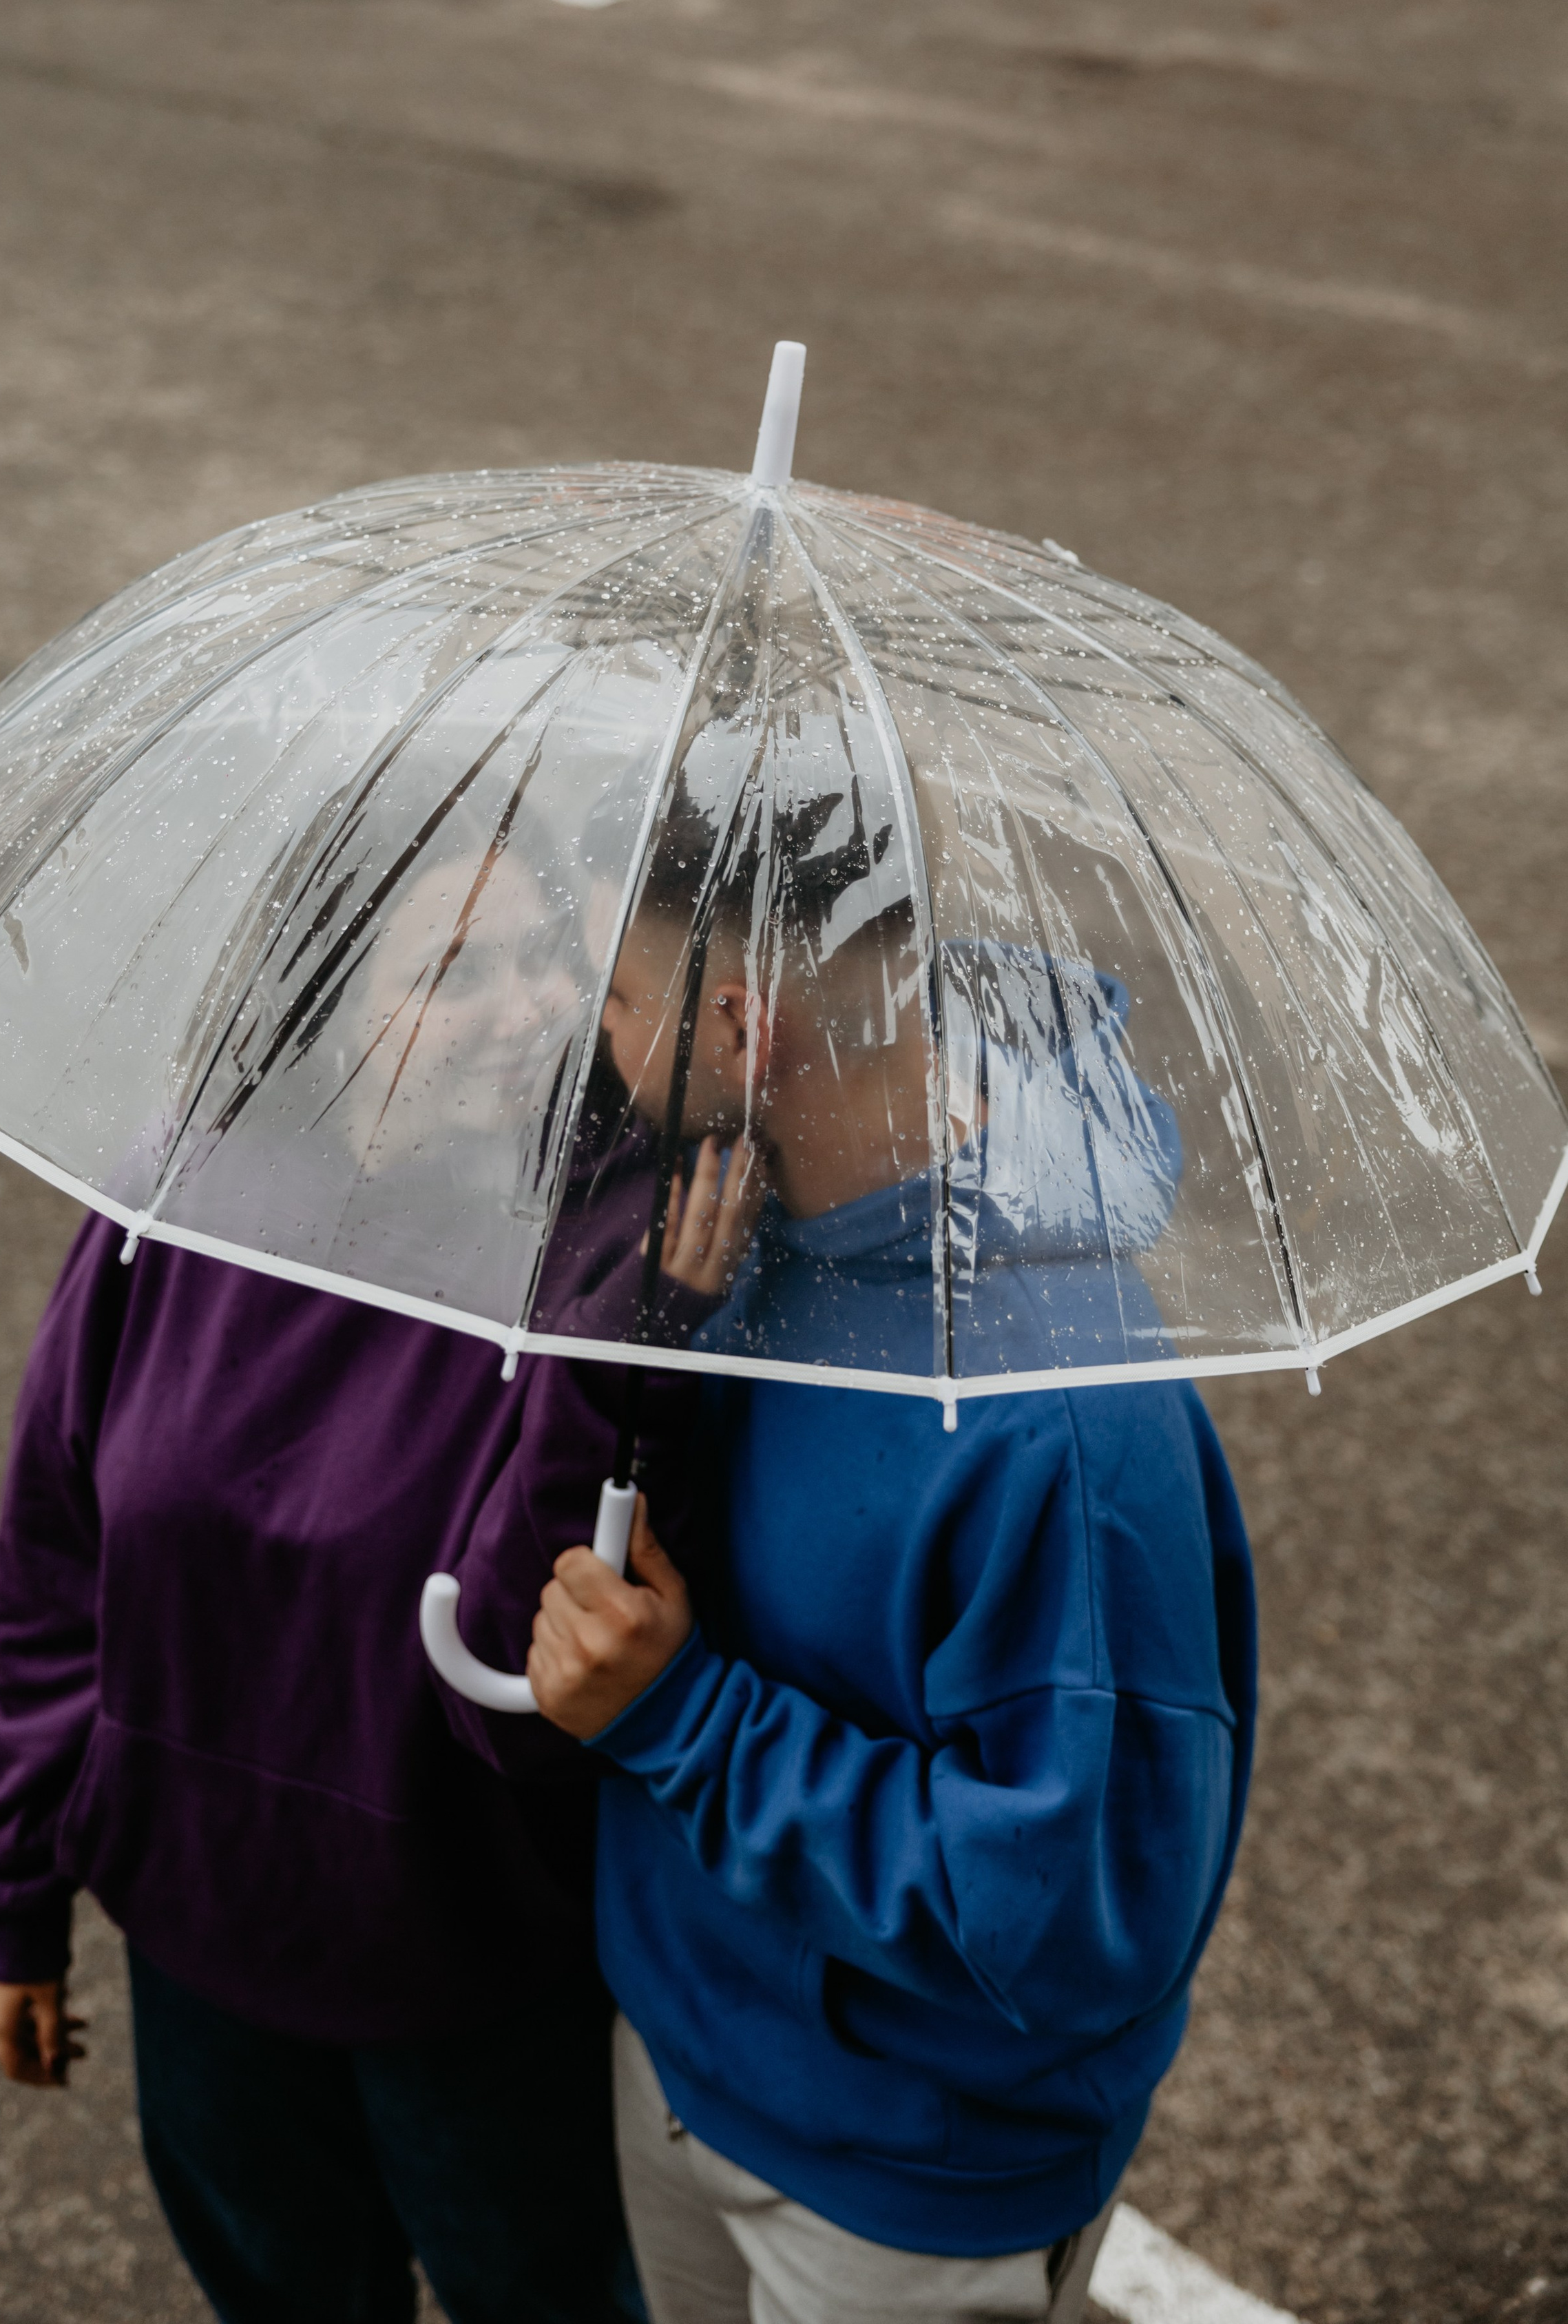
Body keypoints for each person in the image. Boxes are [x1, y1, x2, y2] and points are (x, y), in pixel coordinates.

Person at [0, 842, 735, 2324]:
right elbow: (57, 1564)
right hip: (197, 1948)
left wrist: (626, 1351)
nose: (526, 1009)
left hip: (475, 1982)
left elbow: (525, 1668)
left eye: (542, 960)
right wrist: (12, 1895)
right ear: (323, 1000)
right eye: (452, 973)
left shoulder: (614, 1242)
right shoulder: (182, 1189)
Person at [525, 782, 1257, 2324]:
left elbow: (1071, 1925)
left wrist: (680, 1722)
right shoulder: (736, 1218)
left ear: (739, 1029)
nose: (585, 1036)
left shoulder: (1057, 1431)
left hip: (898, 2191)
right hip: (675, 2047)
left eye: (616, 999)